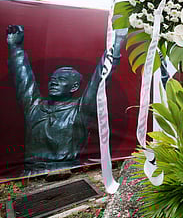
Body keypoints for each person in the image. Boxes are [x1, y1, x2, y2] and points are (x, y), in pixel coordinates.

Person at [7, 25, 126, 175]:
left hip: (65, 172)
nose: (53, 82)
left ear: (74, 86)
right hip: (30, 173)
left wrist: (116, 44)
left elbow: (100, 79)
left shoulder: (80, 110)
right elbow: (23, 78)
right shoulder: (34, 106)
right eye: (52, 79)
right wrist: (15, 48)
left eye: (61, 79)